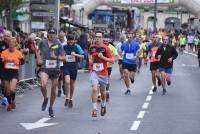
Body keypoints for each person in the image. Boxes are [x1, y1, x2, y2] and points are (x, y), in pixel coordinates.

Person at [36, 28, 65, 118]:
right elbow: (37, 50)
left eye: (53, 34)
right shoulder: (42, 42)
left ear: (56, 35)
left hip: (55, 69)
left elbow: (64, 58)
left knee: (53, 89)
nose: (51, 35)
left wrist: (55, 57)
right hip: (45, 67)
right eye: (50, 33)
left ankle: (51, 107)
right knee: (43, 85)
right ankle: (45, 98)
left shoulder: (58, 44)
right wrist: (38, 59)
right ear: (47, 34)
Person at [89, 31, 114, 117]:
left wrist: (102, 57)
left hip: (103, 73)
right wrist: (90, 61)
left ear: (102, 38)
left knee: (103, 92)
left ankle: (103, 105)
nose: (98, 38)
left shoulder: (106, 48)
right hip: (94, 72)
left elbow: (112, 60)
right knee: (95, 89)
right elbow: (90, 57)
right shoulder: (92, 47)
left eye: (99, 37)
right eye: (96, 37)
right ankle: (94, 109)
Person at [0, 37, 24, 111]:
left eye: (12, 43)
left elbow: (22, 61)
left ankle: (13, 100)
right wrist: (3, 60)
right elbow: (0, 61)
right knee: (7, 91)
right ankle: (10, 104)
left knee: (12, 90)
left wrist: (18, 62)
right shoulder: (4, 52)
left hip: (14, 72)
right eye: (10, 43)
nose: (11, 44)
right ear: (8, 44)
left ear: (15, 44)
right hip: (5, 72)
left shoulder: (18, 52)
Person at [63, 34, 84, 108]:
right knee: (67, 82)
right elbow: (60, 54)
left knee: (72, 84)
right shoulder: (64, 47)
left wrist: (75, 54)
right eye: (69, 40)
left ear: (74, 40)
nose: (71, 41)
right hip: (66, 67)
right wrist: (63, 57)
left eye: (72, 40)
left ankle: (71, 99)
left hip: (74, 67)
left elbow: (83, 56)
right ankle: (67, 97)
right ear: (67, 40)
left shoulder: (77, 46)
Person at [57, 30, 67, 97]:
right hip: (58, 63)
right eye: (60, 36)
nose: (61, 37)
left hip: (65, 63)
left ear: (64, 35)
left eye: (62, 36)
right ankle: (59, 90)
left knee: (64, 78)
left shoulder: (67, 43)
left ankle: (64, 86)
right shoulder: (56, 42)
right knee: (58, 78)